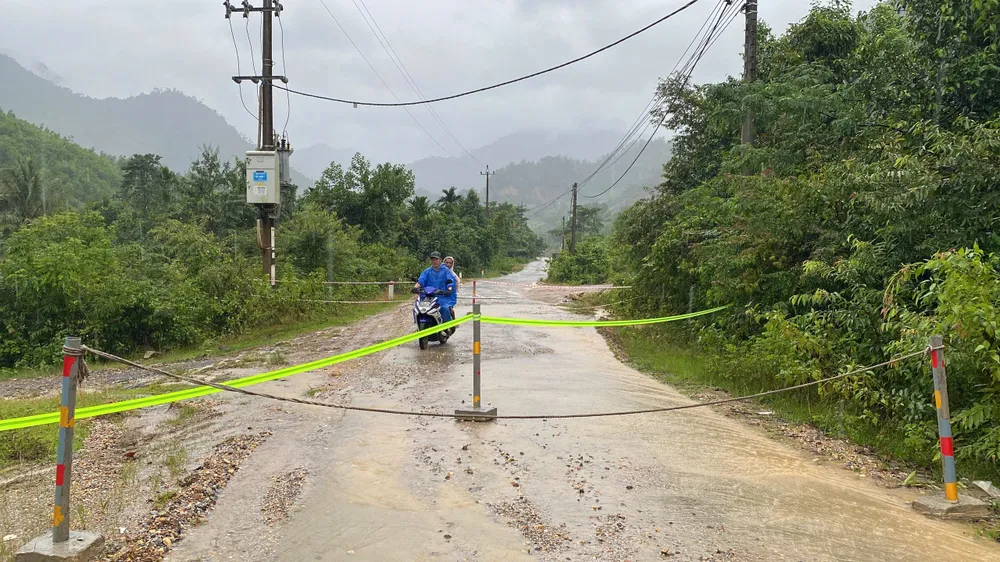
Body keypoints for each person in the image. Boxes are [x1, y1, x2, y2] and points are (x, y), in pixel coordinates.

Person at [413, 251, 458, 323]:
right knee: (417, 308)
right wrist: (415, 288)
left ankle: (446, 326)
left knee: (444, 308)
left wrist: (449, 289)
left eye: (436, 259)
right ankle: (418, 326)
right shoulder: (427, 271)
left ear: (440, 259)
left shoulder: (446, 271)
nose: (434, 261)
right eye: (433, 259)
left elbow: (450, 281)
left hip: (442, 297)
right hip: (428, 297)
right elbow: (421, 280)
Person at [442, 256, 458, 329]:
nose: (448, 264)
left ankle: (453, 322)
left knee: (449, 308)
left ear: (452, 264)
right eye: (447, 262)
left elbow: (454, 284)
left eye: (450, 263)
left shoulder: (453, 275)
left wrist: (450, 289)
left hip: (449, 293)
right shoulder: (438, 271)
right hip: (438, 292)